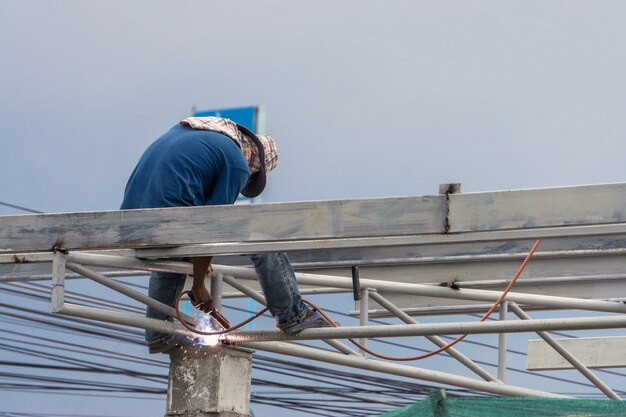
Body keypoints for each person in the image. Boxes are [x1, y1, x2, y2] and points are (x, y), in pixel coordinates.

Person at [121, 117, 328, 353]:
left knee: (172, 255)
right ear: (255, 165)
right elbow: (213, 228)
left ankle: (158, 334)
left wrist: (194, 259)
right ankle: (293, 315)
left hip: (131, 221)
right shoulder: (237, 162)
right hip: (167, 221)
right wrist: (199, 284)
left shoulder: (193, 135)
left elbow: (190, 207)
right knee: (262, 241)